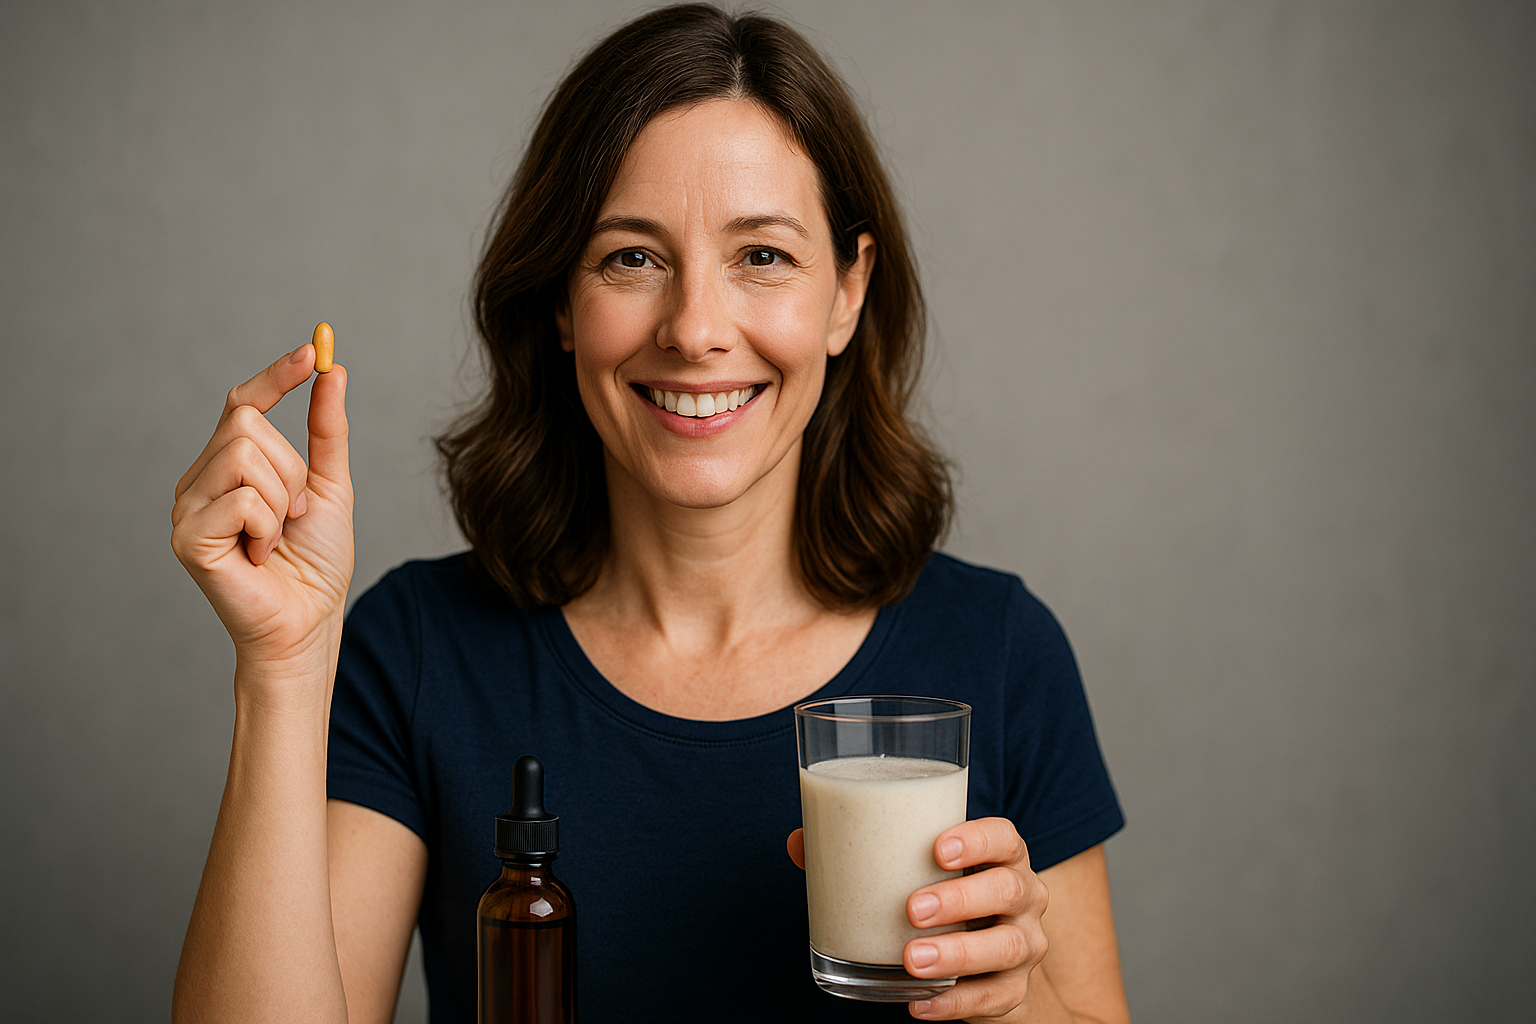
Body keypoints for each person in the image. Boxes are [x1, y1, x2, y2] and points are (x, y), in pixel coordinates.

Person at [169, 5, 1129, 1022]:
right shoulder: (417, 651)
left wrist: (1011, 1002)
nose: (696, 330)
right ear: (559, 301)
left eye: (763, 255)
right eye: (631, 257)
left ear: (849, 291)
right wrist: (282, 668)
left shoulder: (1001, 652)